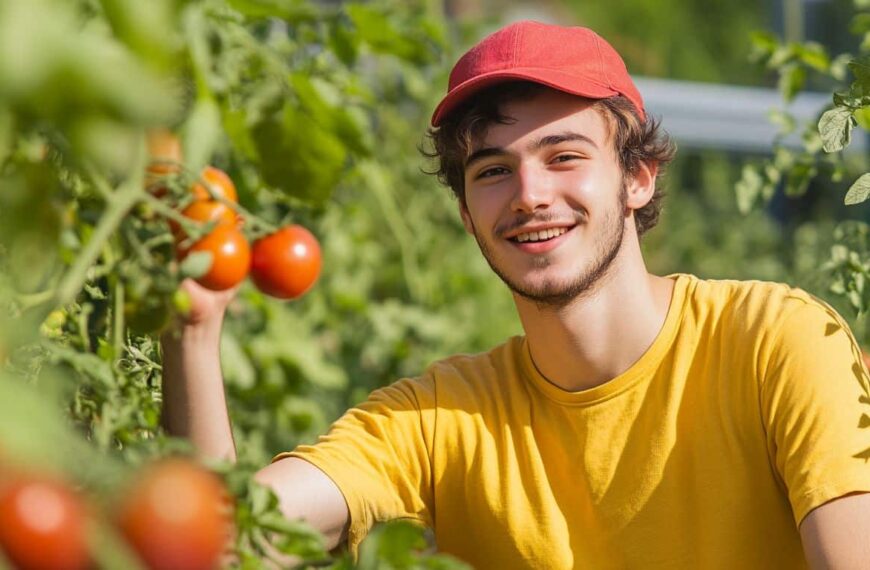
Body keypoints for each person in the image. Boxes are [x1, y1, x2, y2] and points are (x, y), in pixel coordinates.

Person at [162, 20, 870, 569]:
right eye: (493, 171)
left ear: (638, 178)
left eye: (564, 157)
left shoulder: (778, 344)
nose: (531, 196)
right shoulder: (440, 420)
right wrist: (192, 330)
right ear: (467, 213)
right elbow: (224, 545)